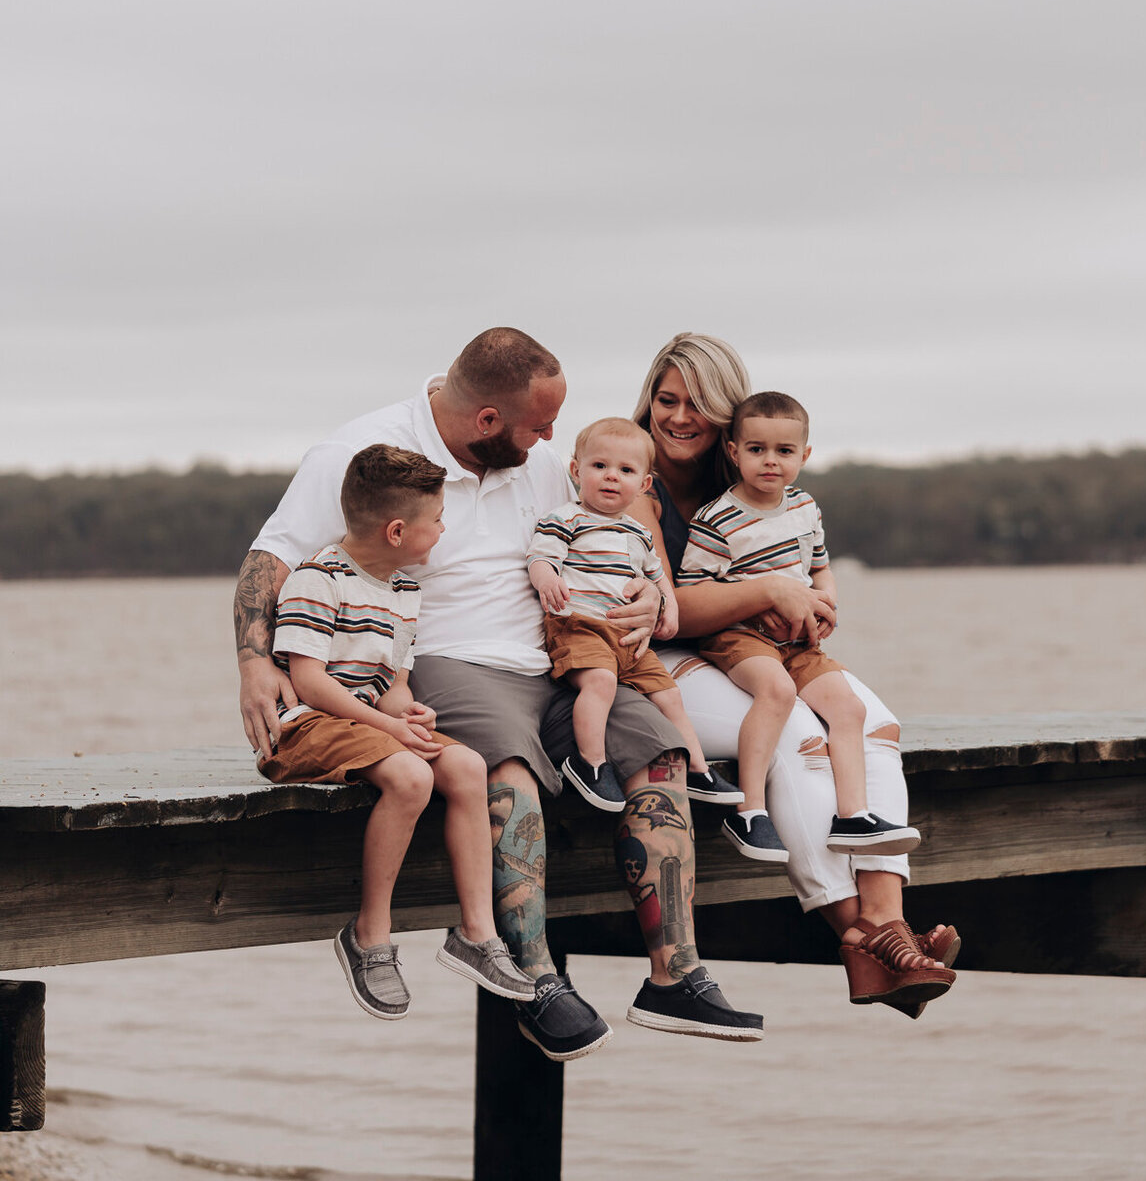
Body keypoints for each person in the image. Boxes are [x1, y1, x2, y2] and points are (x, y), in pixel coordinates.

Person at [236, 327, 764, 1060]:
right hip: (450, 659)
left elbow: (617, 516)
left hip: (559, 654)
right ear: (487, 422)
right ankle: (535, 977)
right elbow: (274, 555)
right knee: (507, 776)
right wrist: (255, 662)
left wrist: (649, 590)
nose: (552, 439)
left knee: (661, 753)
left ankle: (675, 975)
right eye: (540, 426)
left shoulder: (540, 461)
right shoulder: (365, 453)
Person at [628, 332, 958, 1017]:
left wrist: (817, 599)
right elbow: (670, 612)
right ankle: (863, 936)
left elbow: (806, 562)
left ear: (730, 420)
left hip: (756, 647)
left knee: (874, 725)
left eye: (700, 404)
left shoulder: (757, 479)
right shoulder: (633, 480)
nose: (681, 417)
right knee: (794, 735)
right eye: (667, 400)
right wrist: (776, 593)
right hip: (665, 661)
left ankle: (886, 920)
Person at [260, 443, 536, 1019]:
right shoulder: (319, 579)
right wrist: (388, 725)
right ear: (395, 531)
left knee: (465, 766)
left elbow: (394, 683)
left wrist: (408, 712)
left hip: (370, 723)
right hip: (309, 726)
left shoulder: (405, 591)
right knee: (411, 776)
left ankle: (476, 932)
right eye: (435, 522)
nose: (441, 530)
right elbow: (309, 682)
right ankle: (370, 933)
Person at [679, 390, 921, 865]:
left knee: (849, 709)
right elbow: (695, 587)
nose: (771, 462)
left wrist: (826, 599)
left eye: (784, 452)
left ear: (804, 455)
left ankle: (852, 816)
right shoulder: (716, 519)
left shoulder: (805, 507)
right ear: (734, 452)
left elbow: (820, 568)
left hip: (798, 638)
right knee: (776, 692)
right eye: (757, 450)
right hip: (739, 636)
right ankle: (749, 810)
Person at [527, 416, 742, 811]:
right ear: (577, 471)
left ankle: (699, 769)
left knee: (670, 694)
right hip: (579, 626)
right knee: (601, 683)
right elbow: (541, 556)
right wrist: (546, 579)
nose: (611, 477)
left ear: (644, 484)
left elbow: (659, 581)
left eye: (625, 470)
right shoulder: (566, 517)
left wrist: (667, 611)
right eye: (599, 466)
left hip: (625, 637)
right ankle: (590, 763)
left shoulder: (638, 533)